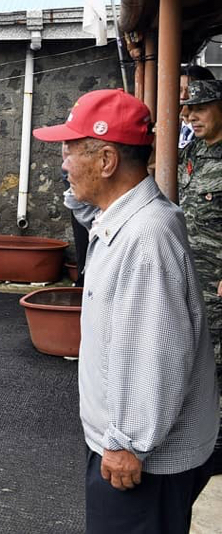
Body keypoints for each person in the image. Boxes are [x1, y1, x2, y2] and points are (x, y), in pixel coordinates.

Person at [33, 88, 218, 532]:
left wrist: (127, 443)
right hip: (131, 447)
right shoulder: (124, 217)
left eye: (71, 151)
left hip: (141, 460)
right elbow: (89, 208)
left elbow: (155, 352)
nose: (63, 164)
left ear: (107, 161)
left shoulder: (145, 238)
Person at [178, 78, 222, 476]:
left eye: (200, 108)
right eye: (187, 110)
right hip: (196, 274)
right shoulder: (191, 152)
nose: (191, 116)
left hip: (220, 278)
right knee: (202, 353)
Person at [180, 64, 216, 149]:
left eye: (190, 91)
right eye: (179, 90)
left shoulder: (210, 130)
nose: (183, 96)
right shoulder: (167, 127)